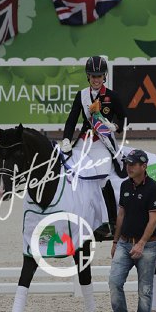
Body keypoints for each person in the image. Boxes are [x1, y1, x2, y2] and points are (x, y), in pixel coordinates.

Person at [62, 55, 126, 231]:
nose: (96, 79)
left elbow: (123, 116)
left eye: (99, 76)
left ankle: (109, 220)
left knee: (103, 177)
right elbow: (72, 119)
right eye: (92, 76)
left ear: (104, 76)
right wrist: (66, 138)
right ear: (88, 76)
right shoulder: (82, 95)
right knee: (71, 173)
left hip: (102, 143)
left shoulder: (112, 96)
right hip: (84, 140)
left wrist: (115, 126)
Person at [107, 149, 156, 312]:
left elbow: (153, 219)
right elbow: (121, 215)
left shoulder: (153, 188)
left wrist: (141, 243)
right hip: (124, 243)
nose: (128, 167)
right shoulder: (124, 185)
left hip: (147, 246)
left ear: (143, 166)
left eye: (132, 164)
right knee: (114, 282)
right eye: (127, 164)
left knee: (144, 290)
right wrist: (115, 241)